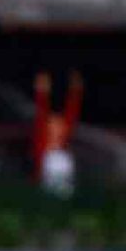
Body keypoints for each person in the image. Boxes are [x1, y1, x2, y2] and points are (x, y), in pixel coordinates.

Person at [33, 70, 83, 198]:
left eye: (58, 122)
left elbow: (72, 109)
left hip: (63, 160)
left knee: (65, 193)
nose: (56, 125)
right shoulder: (44, 128)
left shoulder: (66, 127)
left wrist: (76, 88)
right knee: (48, 193)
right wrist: (41, 90)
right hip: (48, 160)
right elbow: (41, 110)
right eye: (52, 122)